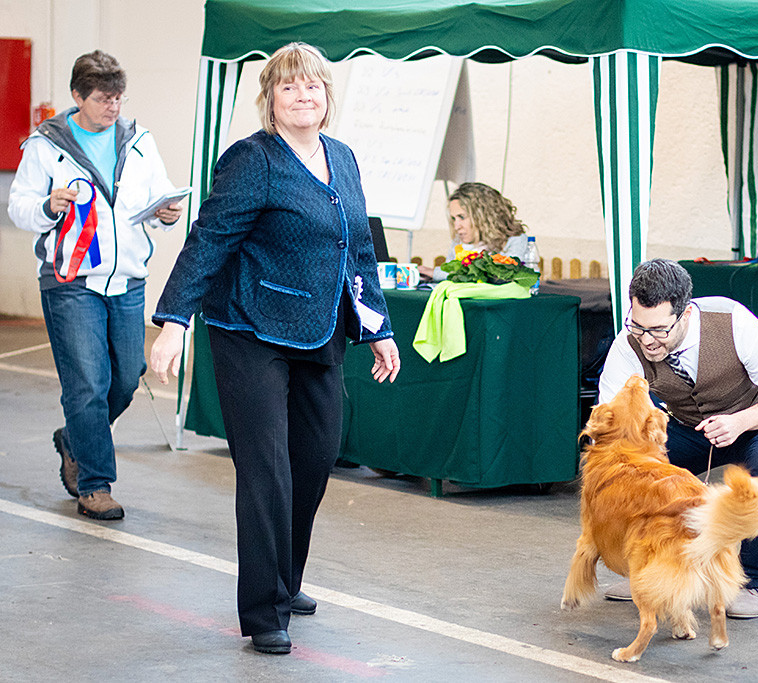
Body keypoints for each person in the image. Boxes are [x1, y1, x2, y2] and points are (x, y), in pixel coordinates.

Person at [148, 42, 400, 655]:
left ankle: (286, 579)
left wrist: (379, 328)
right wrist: (175, 321)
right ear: (270, 99)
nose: (302, 95)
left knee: (314, 459)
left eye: (312, 85)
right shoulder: (252, 159)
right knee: (266, 470)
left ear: (327, 96)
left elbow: (358, 252)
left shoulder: (342, 157)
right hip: (249, 329)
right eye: (288, 86)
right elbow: (209, 240)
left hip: (320, 332)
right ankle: (265, 609)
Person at [7, 50, 183, 521]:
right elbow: (18, 206)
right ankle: (95, 485)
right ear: (77, 96)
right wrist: (47, 206)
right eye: (104, 99)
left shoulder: (139, 140)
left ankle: (75, 438)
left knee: (125, 377)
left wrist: (166, 213)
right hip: (70, 280)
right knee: (88, 383)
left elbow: (157, 195)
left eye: (119, 98)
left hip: (127, 279)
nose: (113, 107)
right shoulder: (46, 145)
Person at [597, 258, 758, 619]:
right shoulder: (628, 345)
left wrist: (740, 421)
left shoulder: (731, 319)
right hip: (687, 426)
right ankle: (647, 570)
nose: (647, 340)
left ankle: (751, 582)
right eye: (638, 326)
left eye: (659, 330)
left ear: (685, 313)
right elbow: (611, 415)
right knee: (628, 470)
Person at [418, 181, 530, 281]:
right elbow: (450, 273)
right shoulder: (458, 241)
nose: (456, 226)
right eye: (453, 219)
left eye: (462, 217)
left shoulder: (514, 240)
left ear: (483, 216)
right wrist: (432, 276)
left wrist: (437, 274)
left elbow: (498, 275)